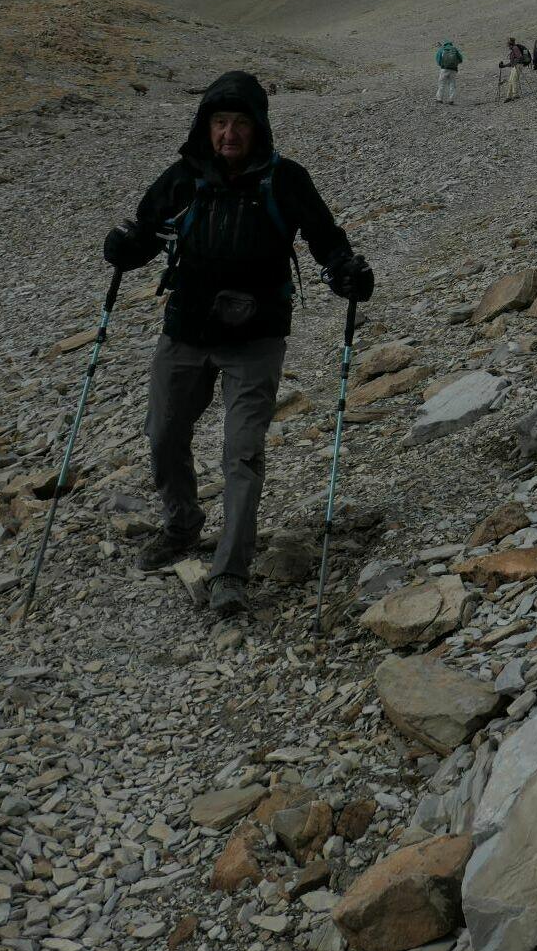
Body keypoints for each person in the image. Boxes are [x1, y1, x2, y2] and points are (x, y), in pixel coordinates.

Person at [102, 71, 373, 620]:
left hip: (256, 338)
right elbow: (147, 232)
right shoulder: (184, 177)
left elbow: (326, 240)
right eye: (220, 122)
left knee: (241, 453)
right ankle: (182, 525)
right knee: (163, 434)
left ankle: (230, 572)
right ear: (205, 126)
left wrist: (346, 271)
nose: (229, 134)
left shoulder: (285, 179)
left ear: (259, 127)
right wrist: (125, 249)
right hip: (186, 330)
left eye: (240, 123)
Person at [435, 38, 463, 104]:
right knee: (452, 84)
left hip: (444, 69)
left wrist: (442, 65)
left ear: (444, 44)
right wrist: (455, 64)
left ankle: (439, 99)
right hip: (453, 69)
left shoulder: (442, 49)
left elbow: (438, 60)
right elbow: (461, 59)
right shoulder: (454, 49)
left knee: (441, 84)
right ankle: (451, 99)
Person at [500, 37, 526, 102]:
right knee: (510, 81)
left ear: (510, 43)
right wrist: (504, 66)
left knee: (514, 80)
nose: (507, 45)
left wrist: (515, 63)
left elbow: (520, 57)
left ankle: (515, 95)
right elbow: (512, 62)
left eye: (508, 44)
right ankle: (509, 96)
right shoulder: (513, 49)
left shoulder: (515, 48)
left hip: (518, 66)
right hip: (515, 66)